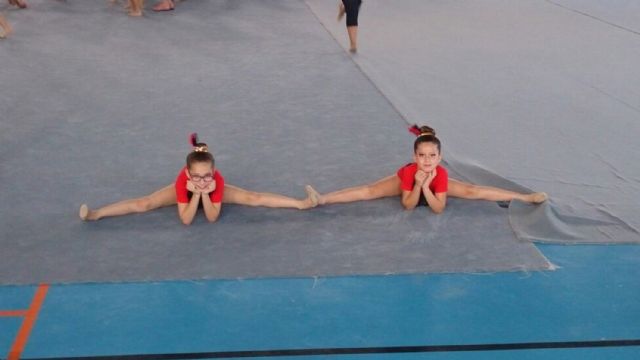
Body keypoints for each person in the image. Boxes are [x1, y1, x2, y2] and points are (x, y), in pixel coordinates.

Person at [80, 134, 319, 225]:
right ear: (187, 173)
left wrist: (205, 191)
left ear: (214, 173)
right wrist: (196, 191)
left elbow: (212, 217)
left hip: (209, 193)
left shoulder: (216, 181)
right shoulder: (182, 182)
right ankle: (97, 214)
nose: (203, 179)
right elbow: (186, 219)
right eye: (197, 176)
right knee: (145, 204)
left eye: (207, 175)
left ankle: (300, 203)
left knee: (252, 197)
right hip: (185, 193)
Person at [312, 125, 547, 213]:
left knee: (472, 191)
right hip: (409, 182)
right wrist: (419, 184)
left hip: (431, 185)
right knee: (370, 191)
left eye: (432, 156)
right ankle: (323, 199)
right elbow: (407, 205)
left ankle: (525, 197)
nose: (426, 161)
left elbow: (438, 208)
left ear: (439, 157)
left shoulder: (441, 173)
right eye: (422, 156)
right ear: (414, 157)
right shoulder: (409, 171)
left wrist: (427, 185)